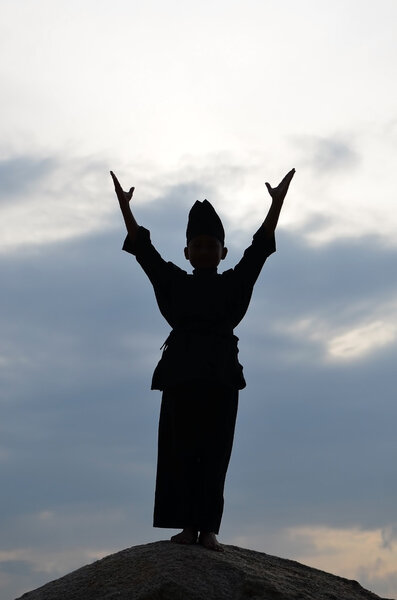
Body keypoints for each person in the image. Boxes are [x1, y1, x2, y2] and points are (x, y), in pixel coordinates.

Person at [111, 167, 295, 551]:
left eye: (212, 245)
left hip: (221, 376)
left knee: (215, 453)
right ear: (187, 252)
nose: (205, 251)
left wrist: (276, 204)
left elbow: (261, 247)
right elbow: (143, 250)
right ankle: (186, 528)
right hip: (180, 375)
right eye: (198, 245)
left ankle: (208, 528)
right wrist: (125, 209)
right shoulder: (174, 281)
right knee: (180, 451)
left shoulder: (234, 284)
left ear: (222, 252)